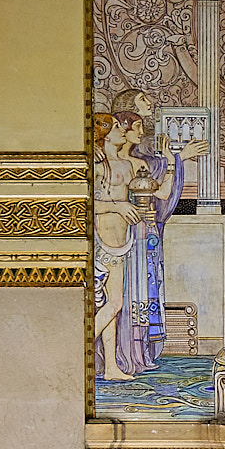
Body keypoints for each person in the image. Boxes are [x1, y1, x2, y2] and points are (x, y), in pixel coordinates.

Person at [93, 113, 148, 380]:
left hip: (122, 242)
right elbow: (85, 203)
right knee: (112, 303)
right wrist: (117, 207)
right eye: (115, 127)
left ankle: (111, 367)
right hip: (102, 240)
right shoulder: (96, 166)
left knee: (114, 304)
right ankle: (78, 349)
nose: (122, 130)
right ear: (103, 135)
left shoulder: (127, 165)